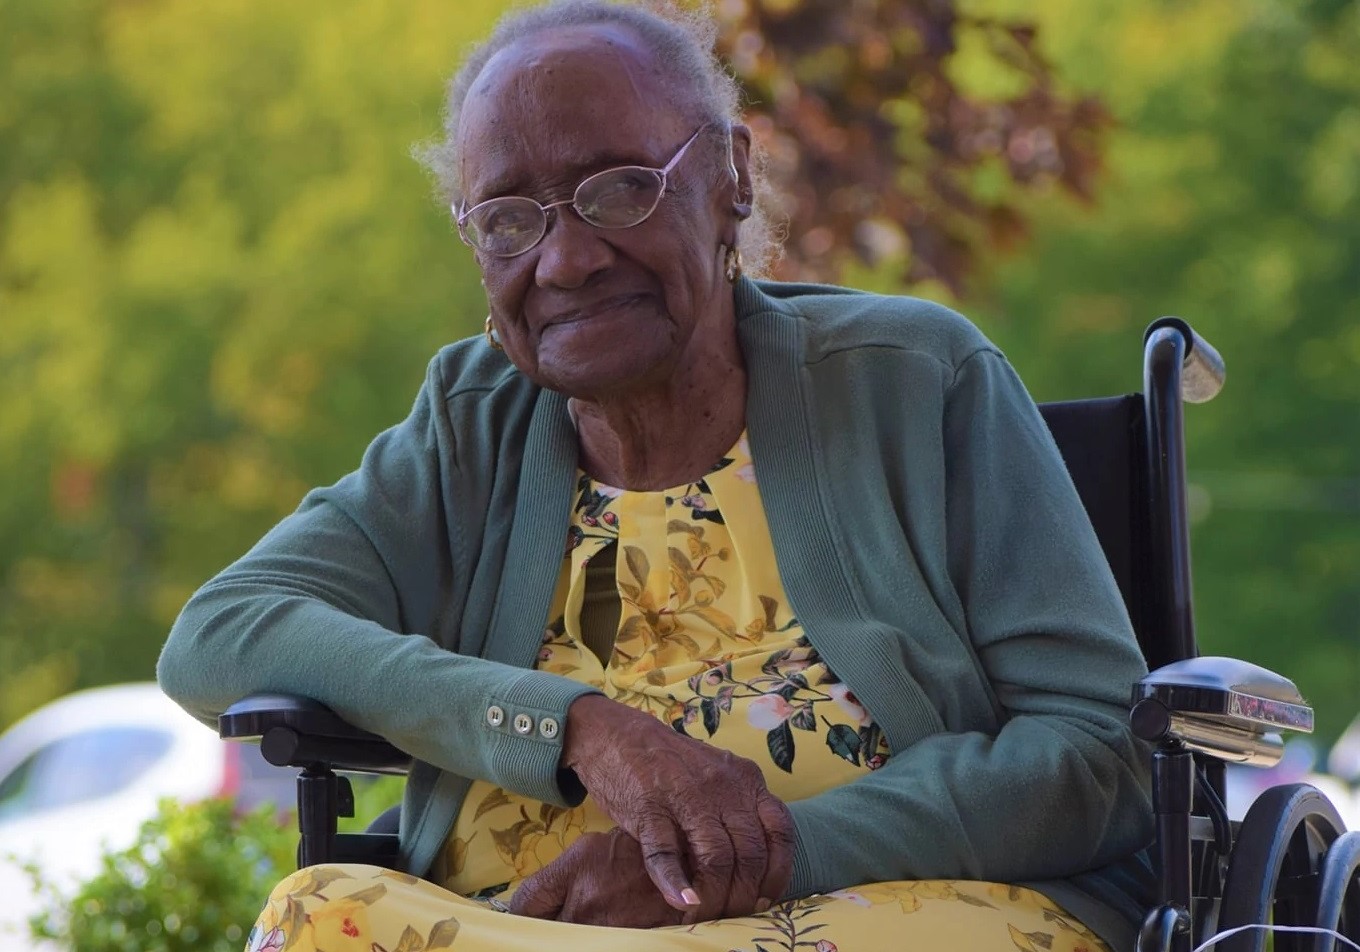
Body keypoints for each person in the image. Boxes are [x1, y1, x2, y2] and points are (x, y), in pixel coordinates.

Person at [156, 1, 1157, 949]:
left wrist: (751, 858)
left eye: (619, 188)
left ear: (732, 176)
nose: (565, 259)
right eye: (508, 218)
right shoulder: (473, 422)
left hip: (880, 908)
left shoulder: (912, 379)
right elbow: (219, 633)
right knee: (319, 904)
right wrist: (577, 727)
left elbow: (1098, 754)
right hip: (513, 927)